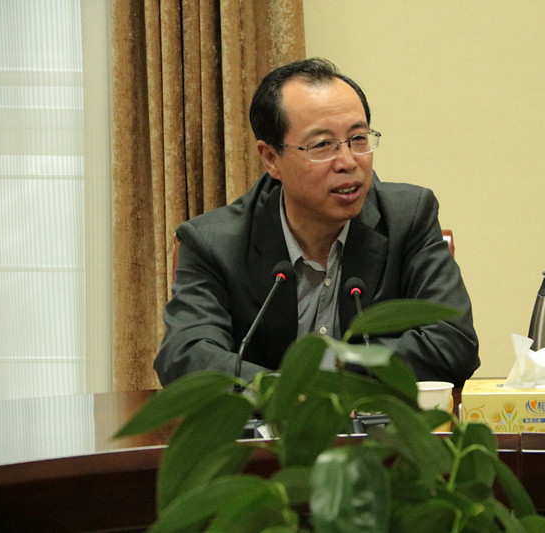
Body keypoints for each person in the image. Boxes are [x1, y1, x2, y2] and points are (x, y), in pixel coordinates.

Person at [154, 58, 479, 387]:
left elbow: (453, 342)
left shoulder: (408, 218)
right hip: (266, 420)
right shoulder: (214, 243)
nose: (348, 162)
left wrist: (329, 380)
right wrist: (289, 393)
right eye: (322, 145)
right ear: (271, 158)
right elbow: (185, 355)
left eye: (358, 139)